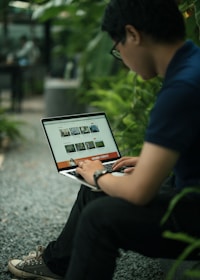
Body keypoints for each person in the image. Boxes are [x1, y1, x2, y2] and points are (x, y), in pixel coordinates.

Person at [8, 0, 200, 279]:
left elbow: (139, 192)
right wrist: (148, 165)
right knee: (94, 192)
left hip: (193, 213)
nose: (121, 59)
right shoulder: (192, 65)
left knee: (99, 216)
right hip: (190, 190)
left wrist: (98, 173)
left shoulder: (180, 88)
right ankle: (57, 265)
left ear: (133, 35)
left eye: (117, 48)